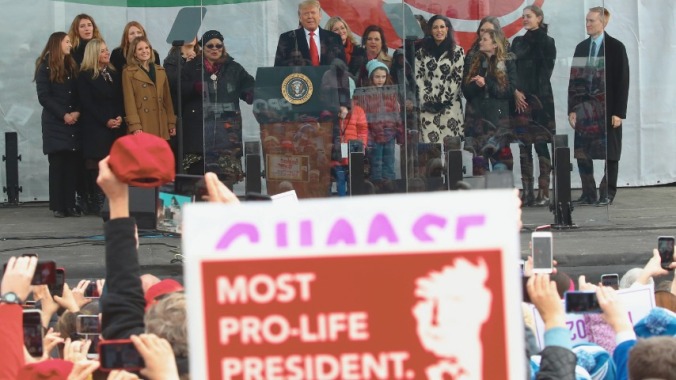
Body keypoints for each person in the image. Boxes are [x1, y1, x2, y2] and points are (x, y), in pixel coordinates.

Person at [568, 7, 629, 206]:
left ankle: (607, 193)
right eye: (586, 20)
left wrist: (619, 112)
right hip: (585, 109)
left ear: (603, 23)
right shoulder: (581, 48)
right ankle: (588, 193)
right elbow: (574, 80)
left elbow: (622, 81)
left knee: (610, 153)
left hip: (608, 109)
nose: (587, 24)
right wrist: (572, 109)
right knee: (582, 153)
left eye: (591, 21)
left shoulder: (616, 47)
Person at [181, 30, 254, 187]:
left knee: (225, 187)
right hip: (198, 139)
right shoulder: (191, 67)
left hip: (227, 138)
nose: (215, 49)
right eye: (210, 46)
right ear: (202, 47)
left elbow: (249, 87)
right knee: (199, 187)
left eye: (218, 45)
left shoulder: (234, 68)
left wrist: (253, 94)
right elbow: (177, 90)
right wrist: (194, 87)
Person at [511, 5, 557, 207]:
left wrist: (530, 96)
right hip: (519, 100)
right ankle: (528, 192)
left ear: (539, 18)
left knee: (541, 144)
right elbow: (510, 68)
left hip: (540, 101)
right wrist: (515, 91)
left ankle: (544, 191)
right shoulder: (517, 42)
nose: (525, 19)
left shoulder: (548, 42)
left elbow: (545, 73)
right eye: (523, 17)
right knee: (523, 146)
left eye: (528, 16)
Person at [34, 32, 82, 218]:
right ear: (57, 44)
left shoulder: (71, 66)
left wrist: (77, 112)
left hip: (72, 120)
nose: (70, 45)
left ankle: (70, 204)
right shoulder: (44, 67)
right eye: (67, 42)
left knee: (71, 163)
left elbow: (79, 93)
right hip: (55, 121)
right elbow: (44, 96)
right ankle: (58, 206)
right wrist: (63, 114)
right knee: (57, 163)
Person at [77, 38, 125, 215]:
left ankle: (113, 199)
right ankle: (98, 200)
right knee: (97, 164)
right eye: (103, 51)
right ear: (93, 54)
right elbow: (87, 103)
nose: (107, 53)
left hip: (115, 126)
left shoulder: (114, 74)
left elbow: (120, 97)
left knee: (114, 164)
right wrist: (106, 120)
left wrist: (120, 116)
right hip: (96, 127)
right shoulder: (85, 75)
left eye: (107, 50)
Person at [463, 29, 517, 173]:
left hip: (498, 123)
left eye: (484, 39)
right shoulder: (474, 61)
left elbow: (509, 90)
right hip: (478, 122)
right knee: (480, 170)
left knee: (502, 168)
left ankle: (502, 195)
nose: (480, 42)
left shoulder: (507, 62)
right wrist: (478, 83)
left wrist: (487, 83)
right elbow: (466, 91)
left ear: (494, 44)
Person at [415, 15, 465, 146]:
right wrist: (428, 101)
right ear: (430, 30)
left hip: (450, 107)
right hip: (428, 109)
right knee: (432, 153)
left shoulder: (457, 52)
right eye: (435, 27)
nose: (439, 30)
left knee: (452, 152)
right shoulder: (421, 53)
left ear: (447, 29)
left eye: (442, 27)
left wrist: (443, 101)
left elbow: (457, 78)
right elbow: (419, 78)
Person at [354, 60, 402, 191]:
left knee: (389, 164)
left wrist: (399, 134)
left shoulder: (390, 93)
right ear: (371, 77)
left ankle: (390, 190)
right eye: (377, 76)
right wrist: (367, 139)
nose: (380, 80)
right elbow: (363, 118)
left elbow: (396, 115)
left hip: (389, 134)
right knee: (376, 166)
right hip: (374, 136)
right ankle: (377, 191)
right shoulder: (365, 95)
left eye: (383, 76)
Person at [122, 36, 176, 139]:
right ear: (134, 53)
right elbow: (129, 102)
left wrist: (171, 123)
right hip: (143, 123)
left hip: (161, 122)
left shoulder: (160, 71)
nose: (144, 51)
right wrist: (135, 125)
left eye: (147, 48)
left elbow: (167, 99)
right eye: (140, 49)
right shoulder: (128, 72)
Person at [274, 0, 346, 67]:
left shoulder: (334, 38)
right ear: (300, 17)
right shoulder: (287, 39)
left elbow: (343, 69)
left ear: (320, 15)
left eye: (313, 12)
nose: (310, 16)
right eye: (306, 13)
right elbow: (278, 70)